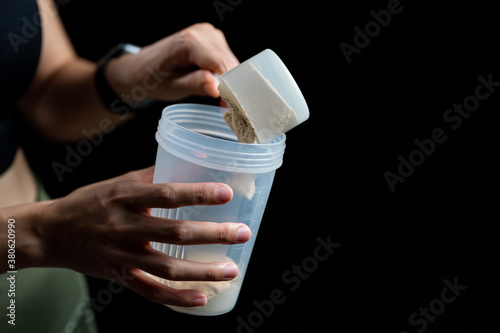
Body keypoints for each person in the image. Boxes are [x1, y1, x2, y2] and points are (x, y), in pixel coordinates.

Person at [0, 0, 250, 331]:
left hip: (50, 273)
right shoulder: (52, 235)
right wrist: (40, 234)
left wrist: (129, 76)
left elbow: (45, 93)